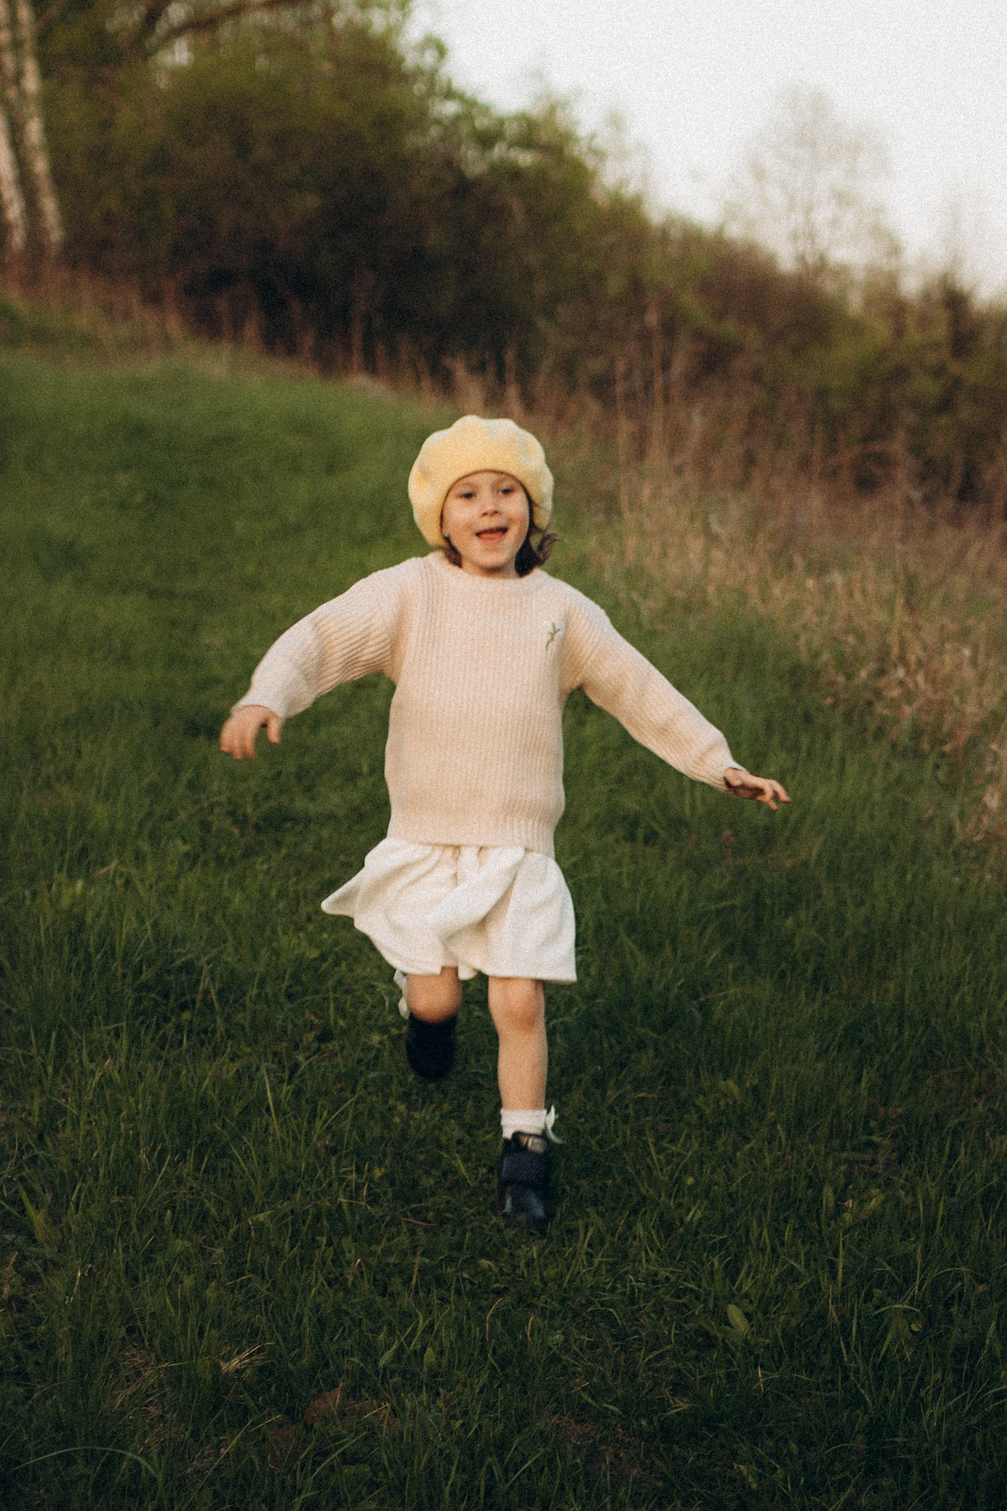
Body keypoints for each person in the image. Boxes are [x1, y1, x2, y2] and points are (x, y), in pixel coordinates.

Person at [219, 416, 789, 1232]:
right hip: (427, 838)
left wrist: (718, 760)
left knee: (519, 1002)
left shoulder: (562, 613)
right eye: (467, 494)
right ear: (440, 517)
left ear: (533, 511)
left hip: (519, 849)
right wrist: (267, 693)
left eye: (507, 491)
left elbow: (639, 688)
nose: (490, 507)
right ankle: (423, 1018)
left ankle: (525, 1156)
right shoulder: (410, 594)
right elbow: (322, 637)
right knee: (442, 999)